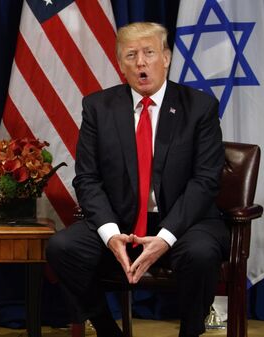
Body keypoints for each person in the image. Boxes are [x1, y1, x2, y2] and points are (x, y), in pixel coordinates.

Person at [46, 22, 229, 337]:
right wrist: (110, 234)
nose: (141, 63)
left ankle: (190, 331)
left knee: (200, 253)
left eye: (149, 53)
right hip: (123, 223)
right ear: (120, 64)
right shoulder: (97, 107)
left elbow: (205, 181)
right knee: (63, 247)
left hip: (184, 224)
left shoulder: (199, 107)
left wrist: (165, 238)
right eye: (131, 55)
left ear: (167, 57)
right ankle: (106, 329)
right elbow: (87, 179)